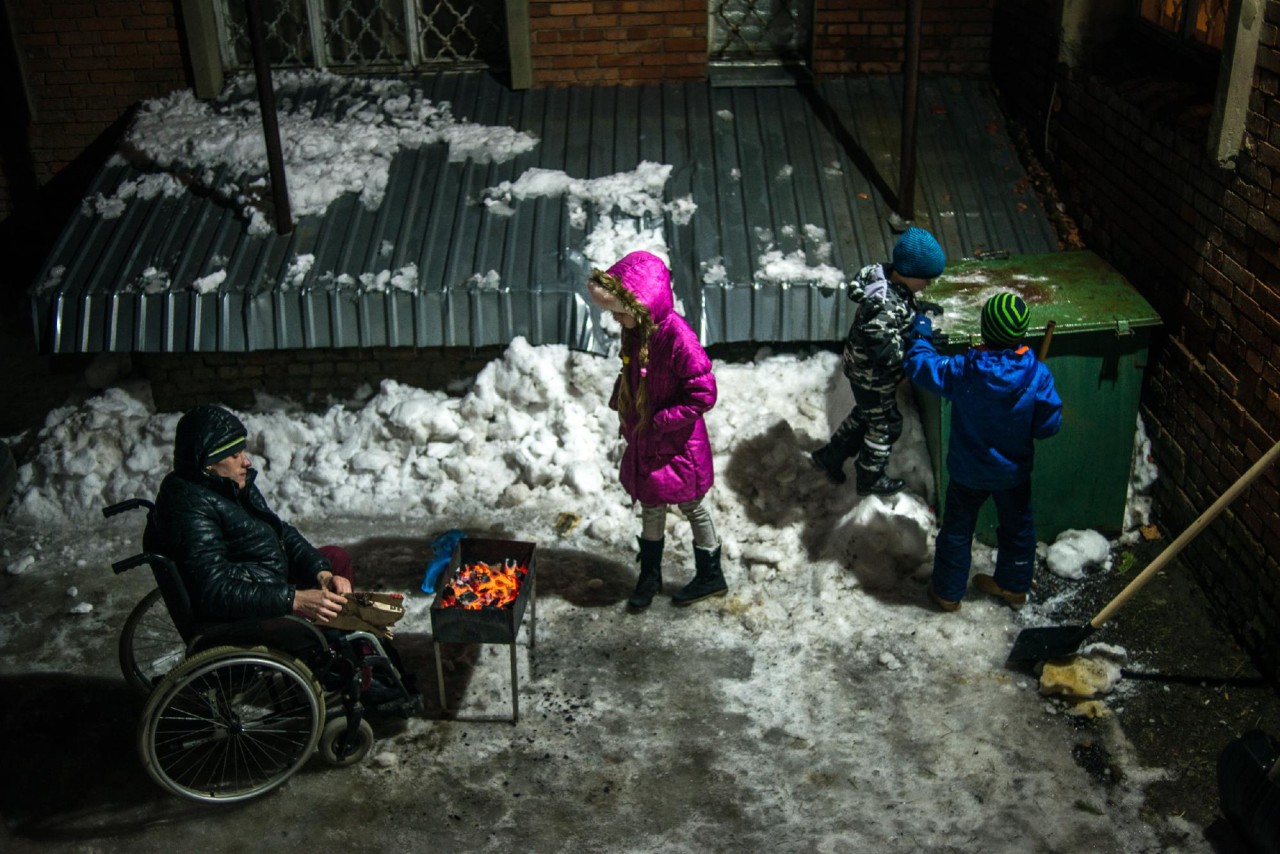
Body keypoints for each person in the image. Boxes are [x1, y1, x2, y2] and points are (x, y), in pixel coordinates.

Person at [904, 291, 1063, 612]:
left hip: (968, 472)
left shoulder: (965, 371)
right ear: (1021, 332)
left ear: (985, 330)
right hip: (1013, 474)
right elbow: (1049, 426)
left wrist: (921, 333)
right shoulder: (1037, 375)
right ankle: (1013, 587)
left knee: (957, 532)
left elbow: (921, 366)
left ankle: (948, 593)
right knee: (1018, 530)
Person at [586, 250, 727, 609]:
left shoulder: (678, 338)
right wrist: (623, 397)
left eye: (619, 310)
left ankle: (711, 575)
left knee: (692, 506)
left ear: (642, 304)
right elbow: (633, 373)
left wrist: (659, 422)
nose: (615, 319)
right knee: (650, 503)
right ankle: (650, 576)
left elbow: (703, 393)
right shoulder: (637, 332)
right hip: (647, 438)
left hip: (678, 443)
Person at [149, 404, 351, 624]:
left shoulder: (231, 484)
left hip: (267, 578)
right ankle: (331, 644)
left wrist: (321, 573)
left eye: (243, 452)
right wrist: (295, 599)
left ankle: (342, 630)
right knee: (330, 608)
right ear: (207, 463)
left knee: (334, 559)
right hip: (250, 609)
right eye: (235, 456)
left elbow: (280, 532)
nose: (246, 461)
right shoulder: (189, 507)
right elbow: (214, 589)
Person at [811, 227, 947, 496]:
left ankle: (830, 457)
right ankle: (869, 477)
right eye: (926, 280)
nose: (928, 285)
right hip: (872, 376)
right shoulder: (882, 308)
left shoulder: (887, 279)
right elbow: (888, 355)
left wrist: (915, 310)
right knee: (885, 424)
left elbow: (898, 308)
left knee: (865, 415)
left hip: (863, 370)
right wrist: (921, 343)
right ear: (909, 274)